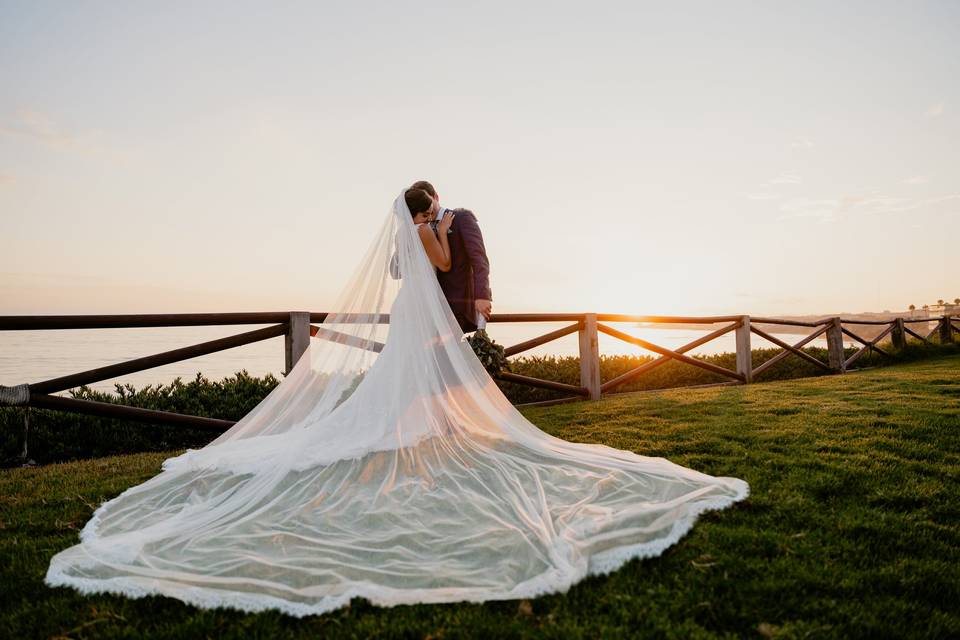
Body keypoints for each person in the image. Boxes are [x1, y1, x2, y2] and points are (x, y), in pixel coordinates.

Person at [45, 189, 749, 618]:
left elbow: (432, 270)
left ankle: (418, 426)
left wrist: (453, 258)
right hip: (428, 307)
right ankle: (419, 428)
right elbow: (443, 263)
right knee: (420, 381)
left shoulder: (413, 232)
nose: (439, 208)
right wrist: (440, 231)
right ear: (420, 207)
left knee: (409, 381)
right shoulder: (427, 229)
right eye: (431, 202)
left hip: (421, 312)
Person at [411, 180, 492, 333]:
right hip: (428, 308)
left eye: (427, 201)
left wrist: (482, 295)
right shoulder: (420, 228)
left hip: (456, 306)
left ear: (436, 197)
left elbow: (479, 259)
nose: (425, 209)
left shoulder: (461, 218)